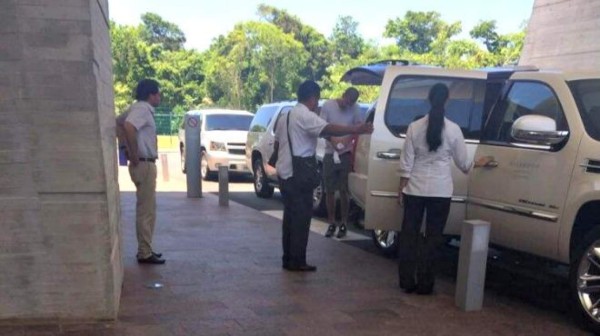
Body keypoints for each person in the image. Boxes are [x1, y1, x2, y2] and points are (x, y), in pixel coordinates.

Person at [397, 83, 491, 294]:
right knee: (433, 238)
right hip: (440, 191)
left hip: (415, 189)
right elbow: (464, 164)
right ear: (447, 100)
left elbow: (406, 164)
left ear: (429, 99)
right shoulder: (454, 129)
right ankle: (425, 283)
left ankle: (406, 281)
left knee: (409, 235)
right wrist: (479, 162)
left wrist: (401, 188)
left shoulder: (414, 127)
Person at [273, 80, 373, 272]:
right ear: (312, 98)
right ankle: (298, 261)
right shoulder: (305, 115)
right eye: (316, 99)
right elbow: (328, 128)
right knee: (302, 218)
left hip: (284, 172)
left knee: (289, 218)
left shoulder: (286, 115)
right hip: (299, 174)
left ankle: (288, 258)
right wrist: (356, 129)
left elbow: (278, 143)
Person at [118, 79, 165, 265]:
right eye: (158, 94)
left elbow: (118, 123)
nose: (159, 97)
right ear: (151, 94)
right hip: (144, 164)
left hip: (143, 163)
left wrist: (124, 147)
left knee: (146, 208)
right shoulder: (143, 109)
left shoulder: (136, 108)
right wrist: (133, 152)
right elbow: (128, 126)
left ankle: (146, 248)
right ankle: (144, 252)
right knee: (147, 210)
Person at [320, 87, 363, 239]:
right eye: (347, 101)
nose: (348, 105)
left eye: (351, 103)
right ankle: (331, 221)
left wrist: (346, 140)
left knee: (344, 190)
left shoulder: (356, 109)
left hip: (345, 153)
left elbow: (358, 129)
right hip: (330, 152)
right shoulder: (328, 106)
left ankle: (343, 222)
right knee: (329, 190)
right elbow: (321, 128)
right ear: (343, 95)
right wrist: (333, 140)